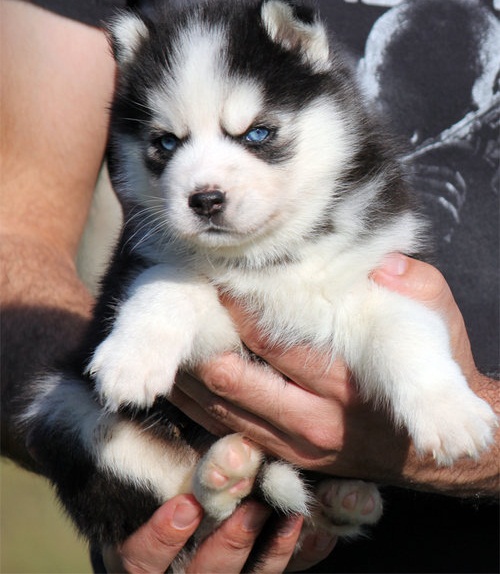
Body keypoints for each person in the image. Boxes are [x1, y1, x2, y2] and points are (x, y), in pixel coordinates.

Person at [1, 1, 498, 573]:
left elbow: (380, 316)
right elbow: (14, 235)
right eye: (168, 144)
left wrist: (439, 397)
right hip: (179, 509)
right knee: (67, 409)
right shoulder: (174, 260)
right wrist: (159, 317)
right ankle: (229, 502)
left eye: (257, 133)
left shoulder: (369, 218)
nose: (204, 185)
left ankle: (280, 492)